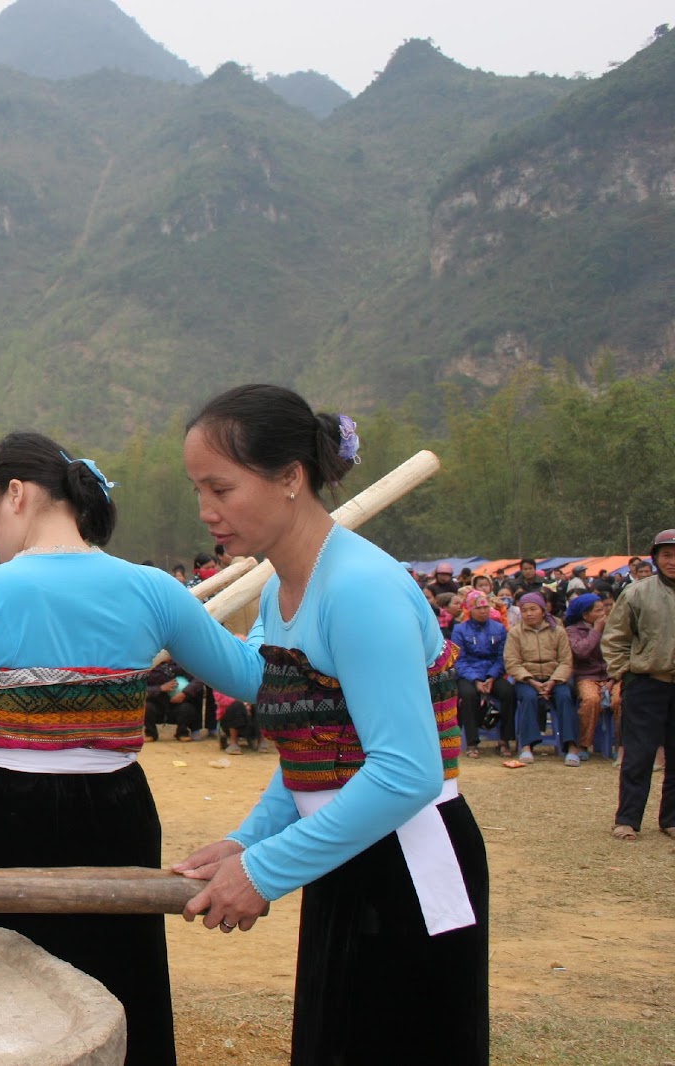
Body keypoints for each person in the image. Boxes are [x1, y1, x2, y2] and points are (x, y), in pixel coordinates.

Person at [0, 430, 264, 1066]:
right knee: (121, 981)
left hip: (10, 814)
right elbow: (253, 678)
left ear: (17, 494)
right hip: (118, 808)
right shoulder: (152, 589)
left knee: (7, 1003)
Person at [175, 385, 487, 1066]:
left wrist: (264, 869)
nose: (208, 512)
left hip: (403, 864)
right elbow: (315, 753)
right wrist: (246, 841)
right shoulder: (278, 592)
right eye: (199, 490)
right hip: (344, 850)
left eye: (222, 489)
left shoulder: (358, 590)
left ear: (291, 478)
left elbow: (406, 771)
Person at [601, 528, 675, 841]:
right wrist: (623, 673)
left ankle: (671, 819)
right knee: (639, 754)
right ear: (656, 558)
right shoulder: (637, 593)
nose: (673, 561)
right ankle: (627, 819)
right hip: (647, 683)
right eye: (667, 555)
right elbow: (615, 637)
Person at [507, 592, 581, 765]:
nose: (529, 614)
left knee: (564, 697)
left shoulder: (558, 631)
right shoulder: (515, 633)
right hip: (527, 679)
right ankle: (527, 746)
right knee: (528, 697)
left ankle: (571, 747)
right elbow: (512, 662)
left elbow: (565, 661)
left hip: (555, 677)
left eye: (533, 609)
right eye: (524, 610)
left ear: (543, 610)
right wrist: (531, 681)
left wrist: (553, 681)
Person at [451, 590, 515, 757]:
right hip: (468, 674)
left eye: (486, 607)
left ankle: (504, 739)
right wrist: (476, 679)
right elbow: (459, 659)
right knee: (468, 694)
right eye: (478, 608)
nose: (483, 611)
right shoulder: (460, 630)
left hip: (492, 673)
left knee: (509, 692)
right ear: (470, 609)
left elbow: (502, 657)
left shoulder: (499, 628)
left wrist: (491, 677)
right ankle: (472, 742)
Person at [566, 593, 620, 762]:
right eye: (598, 610)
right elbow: (581, 652)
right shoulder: (572, 631)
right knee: (591, 700)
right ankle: (583, 744)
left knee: (621, 700)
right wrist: (596, 630)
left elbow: (618, 653)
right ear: (585, 614)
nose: (603, 613)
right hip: (587, 675)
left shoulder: (614, 627)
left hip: (613, 676)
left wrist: (612, 679)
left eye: (604, 608)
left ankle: (621, 745)